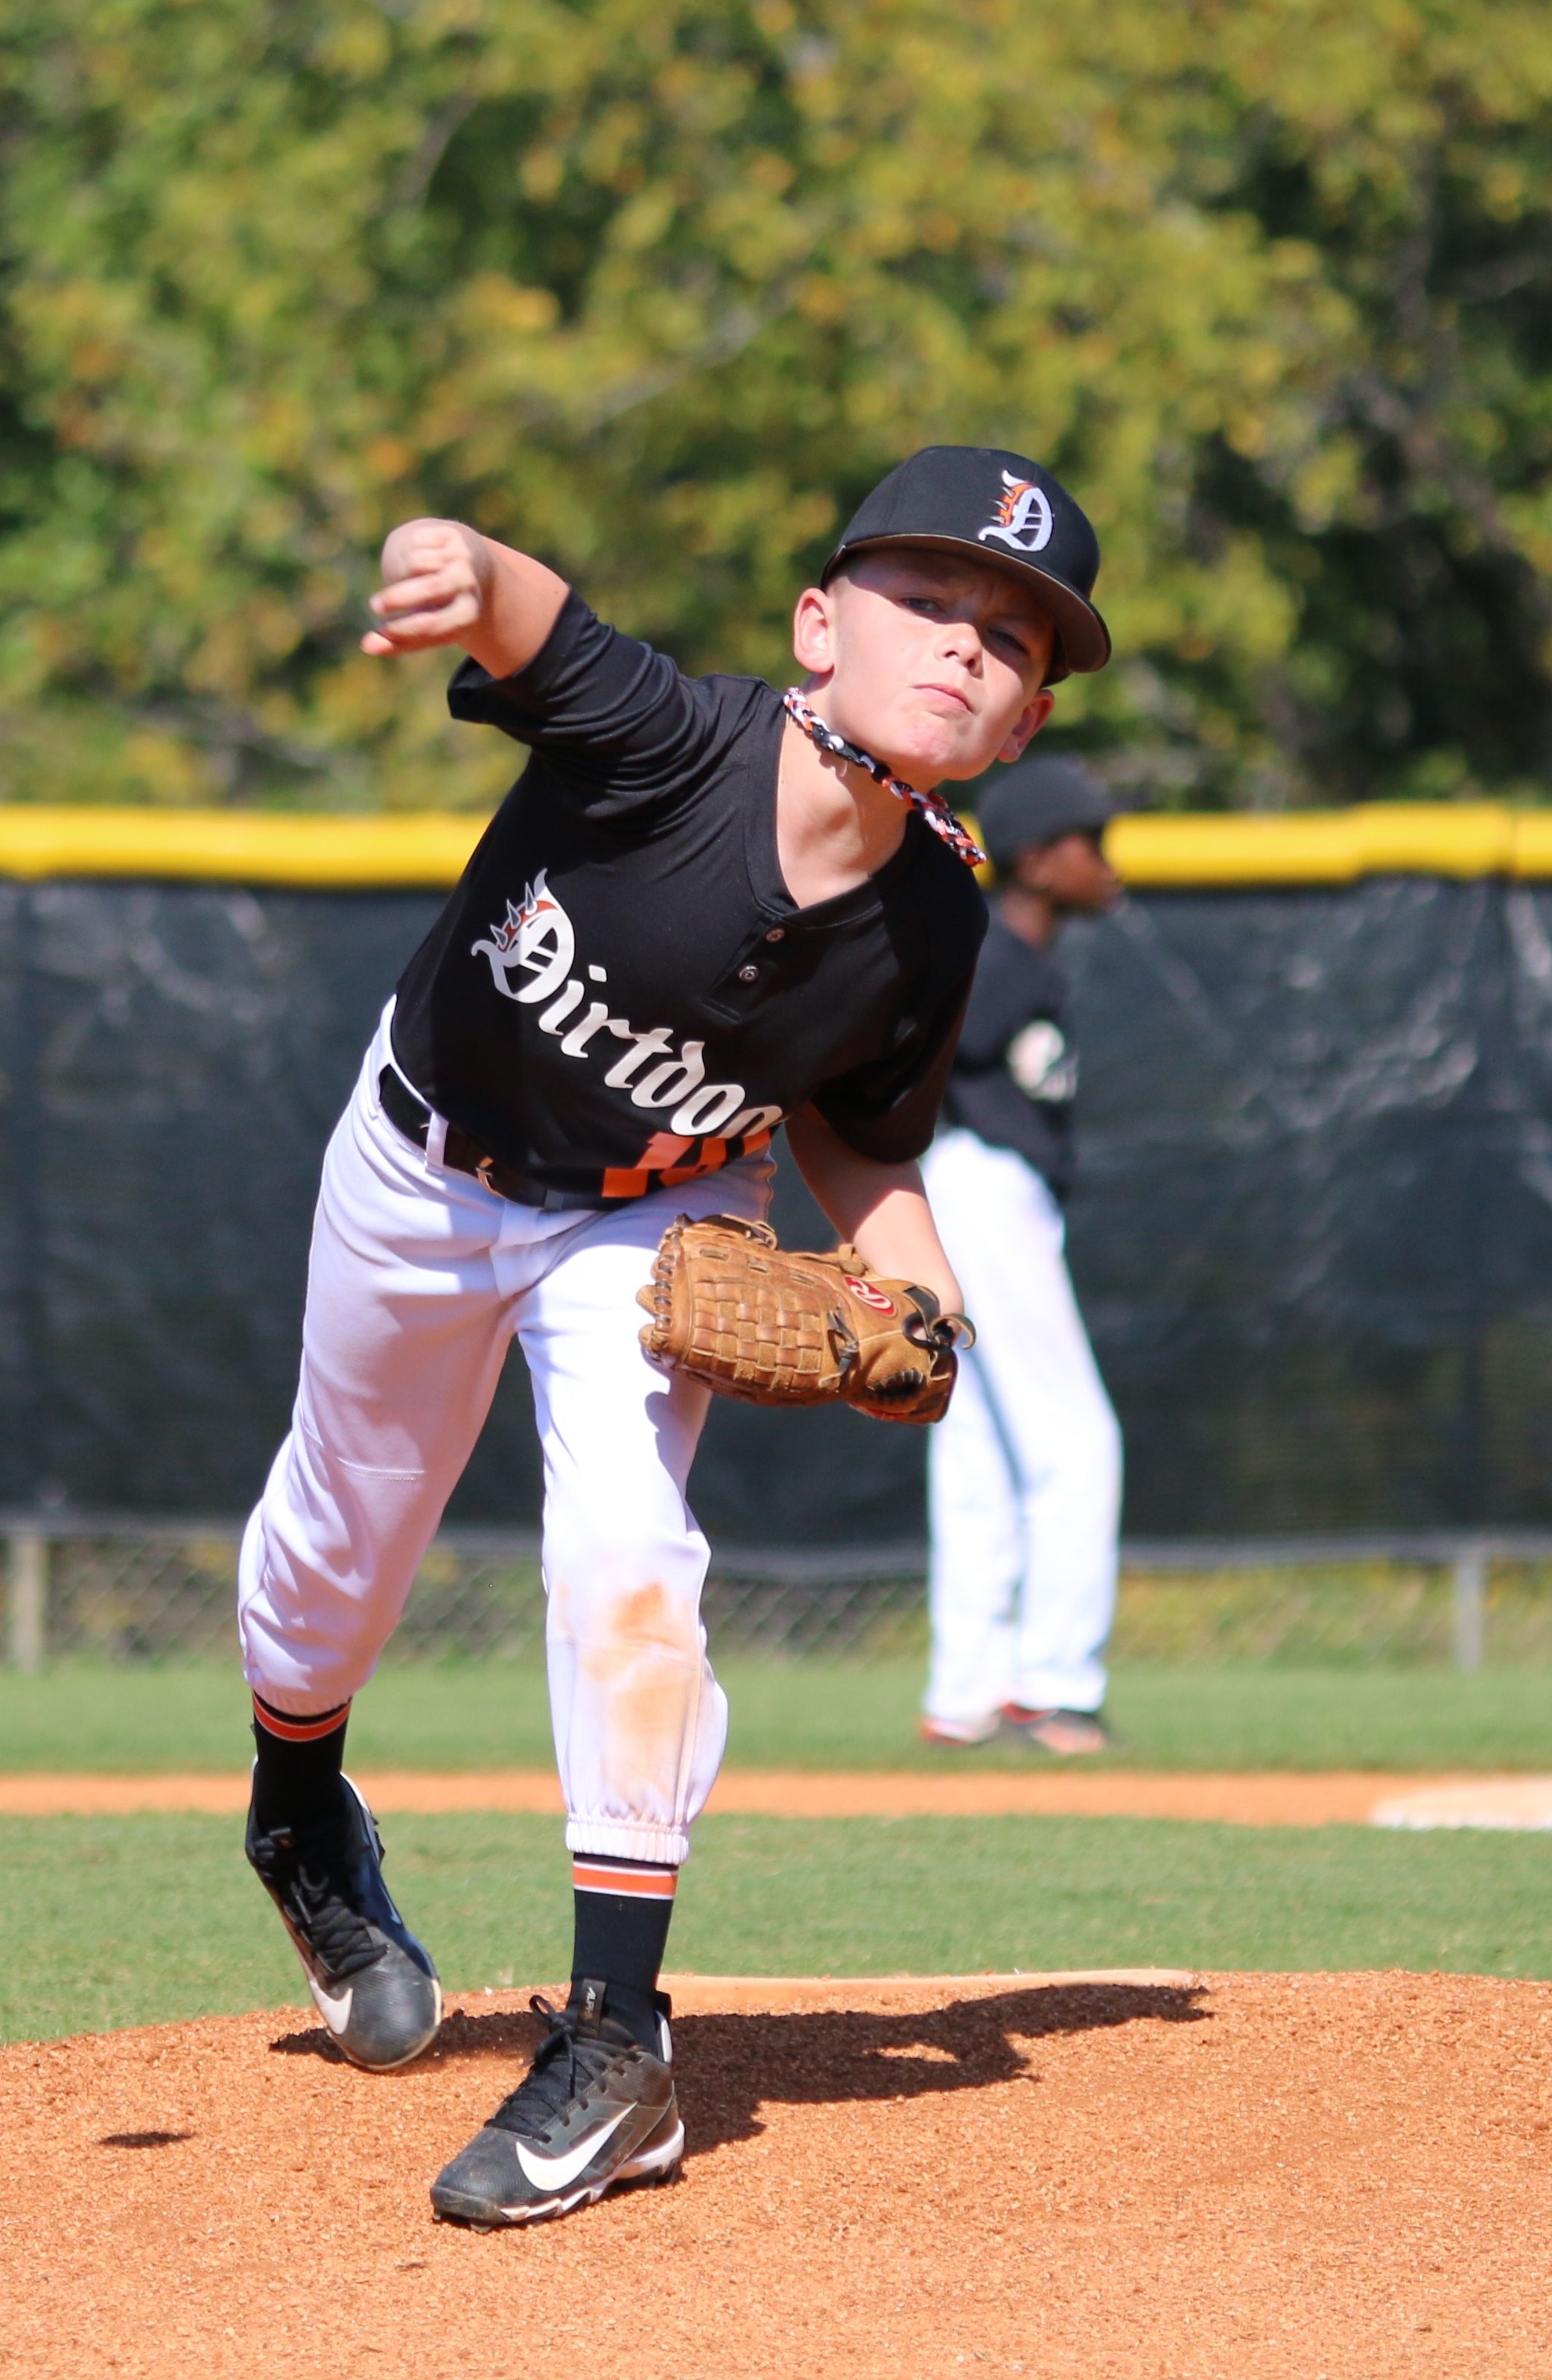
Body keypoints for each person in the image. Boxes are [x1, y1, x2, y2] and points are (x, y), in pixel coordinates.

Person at [233, 445, 1110, 2226]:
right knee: (338, 1558)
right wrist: (446, 555)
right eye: (926, 601)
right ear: (818, 623)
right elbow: (523, 603)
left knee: (631, 1556)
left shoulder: (934, 919)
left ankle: (618, 2045)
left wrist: (921, 1300)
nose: (963, 647)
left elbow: (861, 1136)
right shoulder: (667, 740)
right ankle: (299, 1812)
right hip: (420, 1170)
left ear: (1022, 725)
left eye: (1010, 640)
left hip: (649, 1215)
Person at [916, 755, 1128, 1755]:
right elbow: (906, 1049)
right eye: (1094, 844)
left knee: (981, 1452)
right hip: (983, 1186)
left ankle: (966, 1693)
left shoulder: (1014, 957)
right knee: (1075, 1440)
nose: (1108, 863)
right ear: (1041, 860)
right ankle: (1054, 1687)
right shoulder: (997, 957)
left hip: (973, 1188)